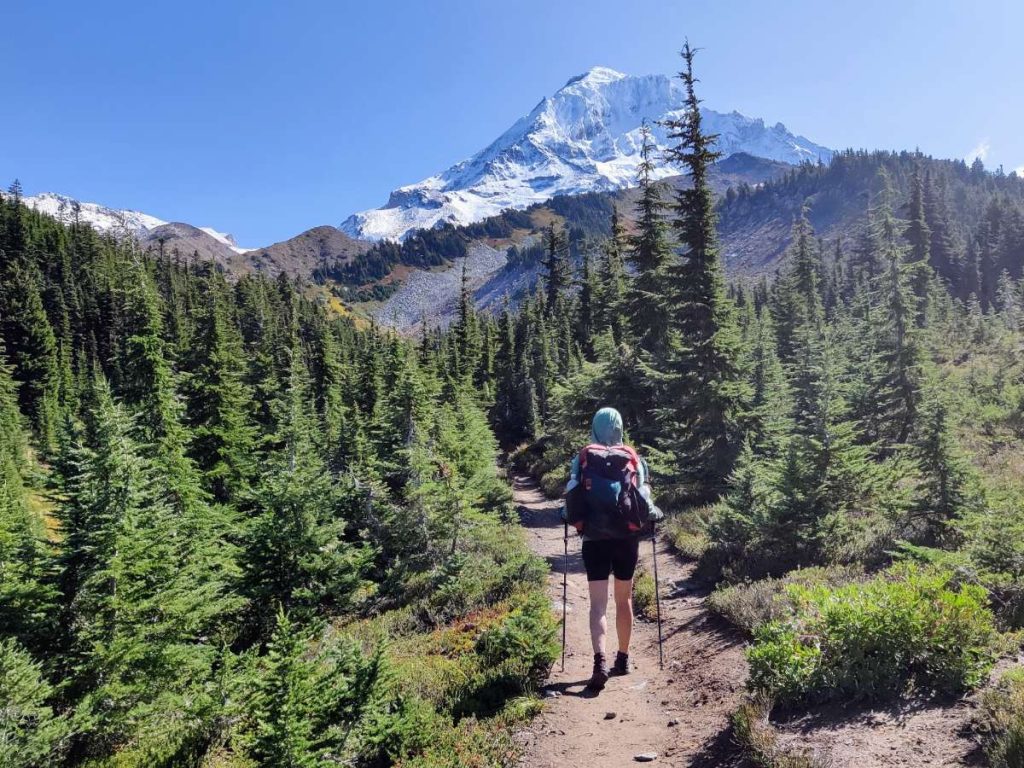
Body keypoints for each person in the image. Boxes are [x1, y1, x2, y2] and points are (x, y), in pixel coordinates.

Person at [563, 407, 661, 691]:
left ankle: (599, 662)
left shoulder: (582, 457)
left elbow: (571, 494)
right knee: (624, 600)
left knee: (597, 605)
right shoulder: (632, 458)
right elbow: (644, 496)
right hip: (625, 539)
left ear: (594, 428)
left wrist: (565, 515)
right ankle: (624, 658)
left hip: (594, 539)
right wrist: (654, 513)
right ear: (619, 428)